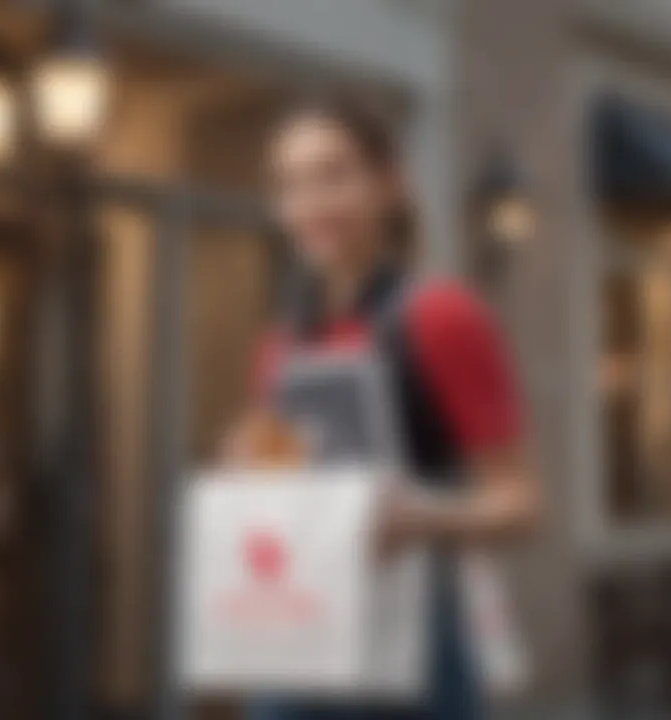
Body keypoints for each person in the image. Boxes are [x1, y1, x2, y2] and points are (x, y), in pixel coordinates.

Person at [223, 96, 541, 720]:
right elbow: (284, 497)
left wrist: (419, 520)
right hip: (298, 636)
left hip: (411, 652)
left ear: (390, 184)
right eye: (291, 184)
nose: (310, 202)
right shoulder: (279, 343)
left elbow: (522, 505)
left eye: (334, 175)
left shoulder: (441, 316)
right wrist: (249, 468)